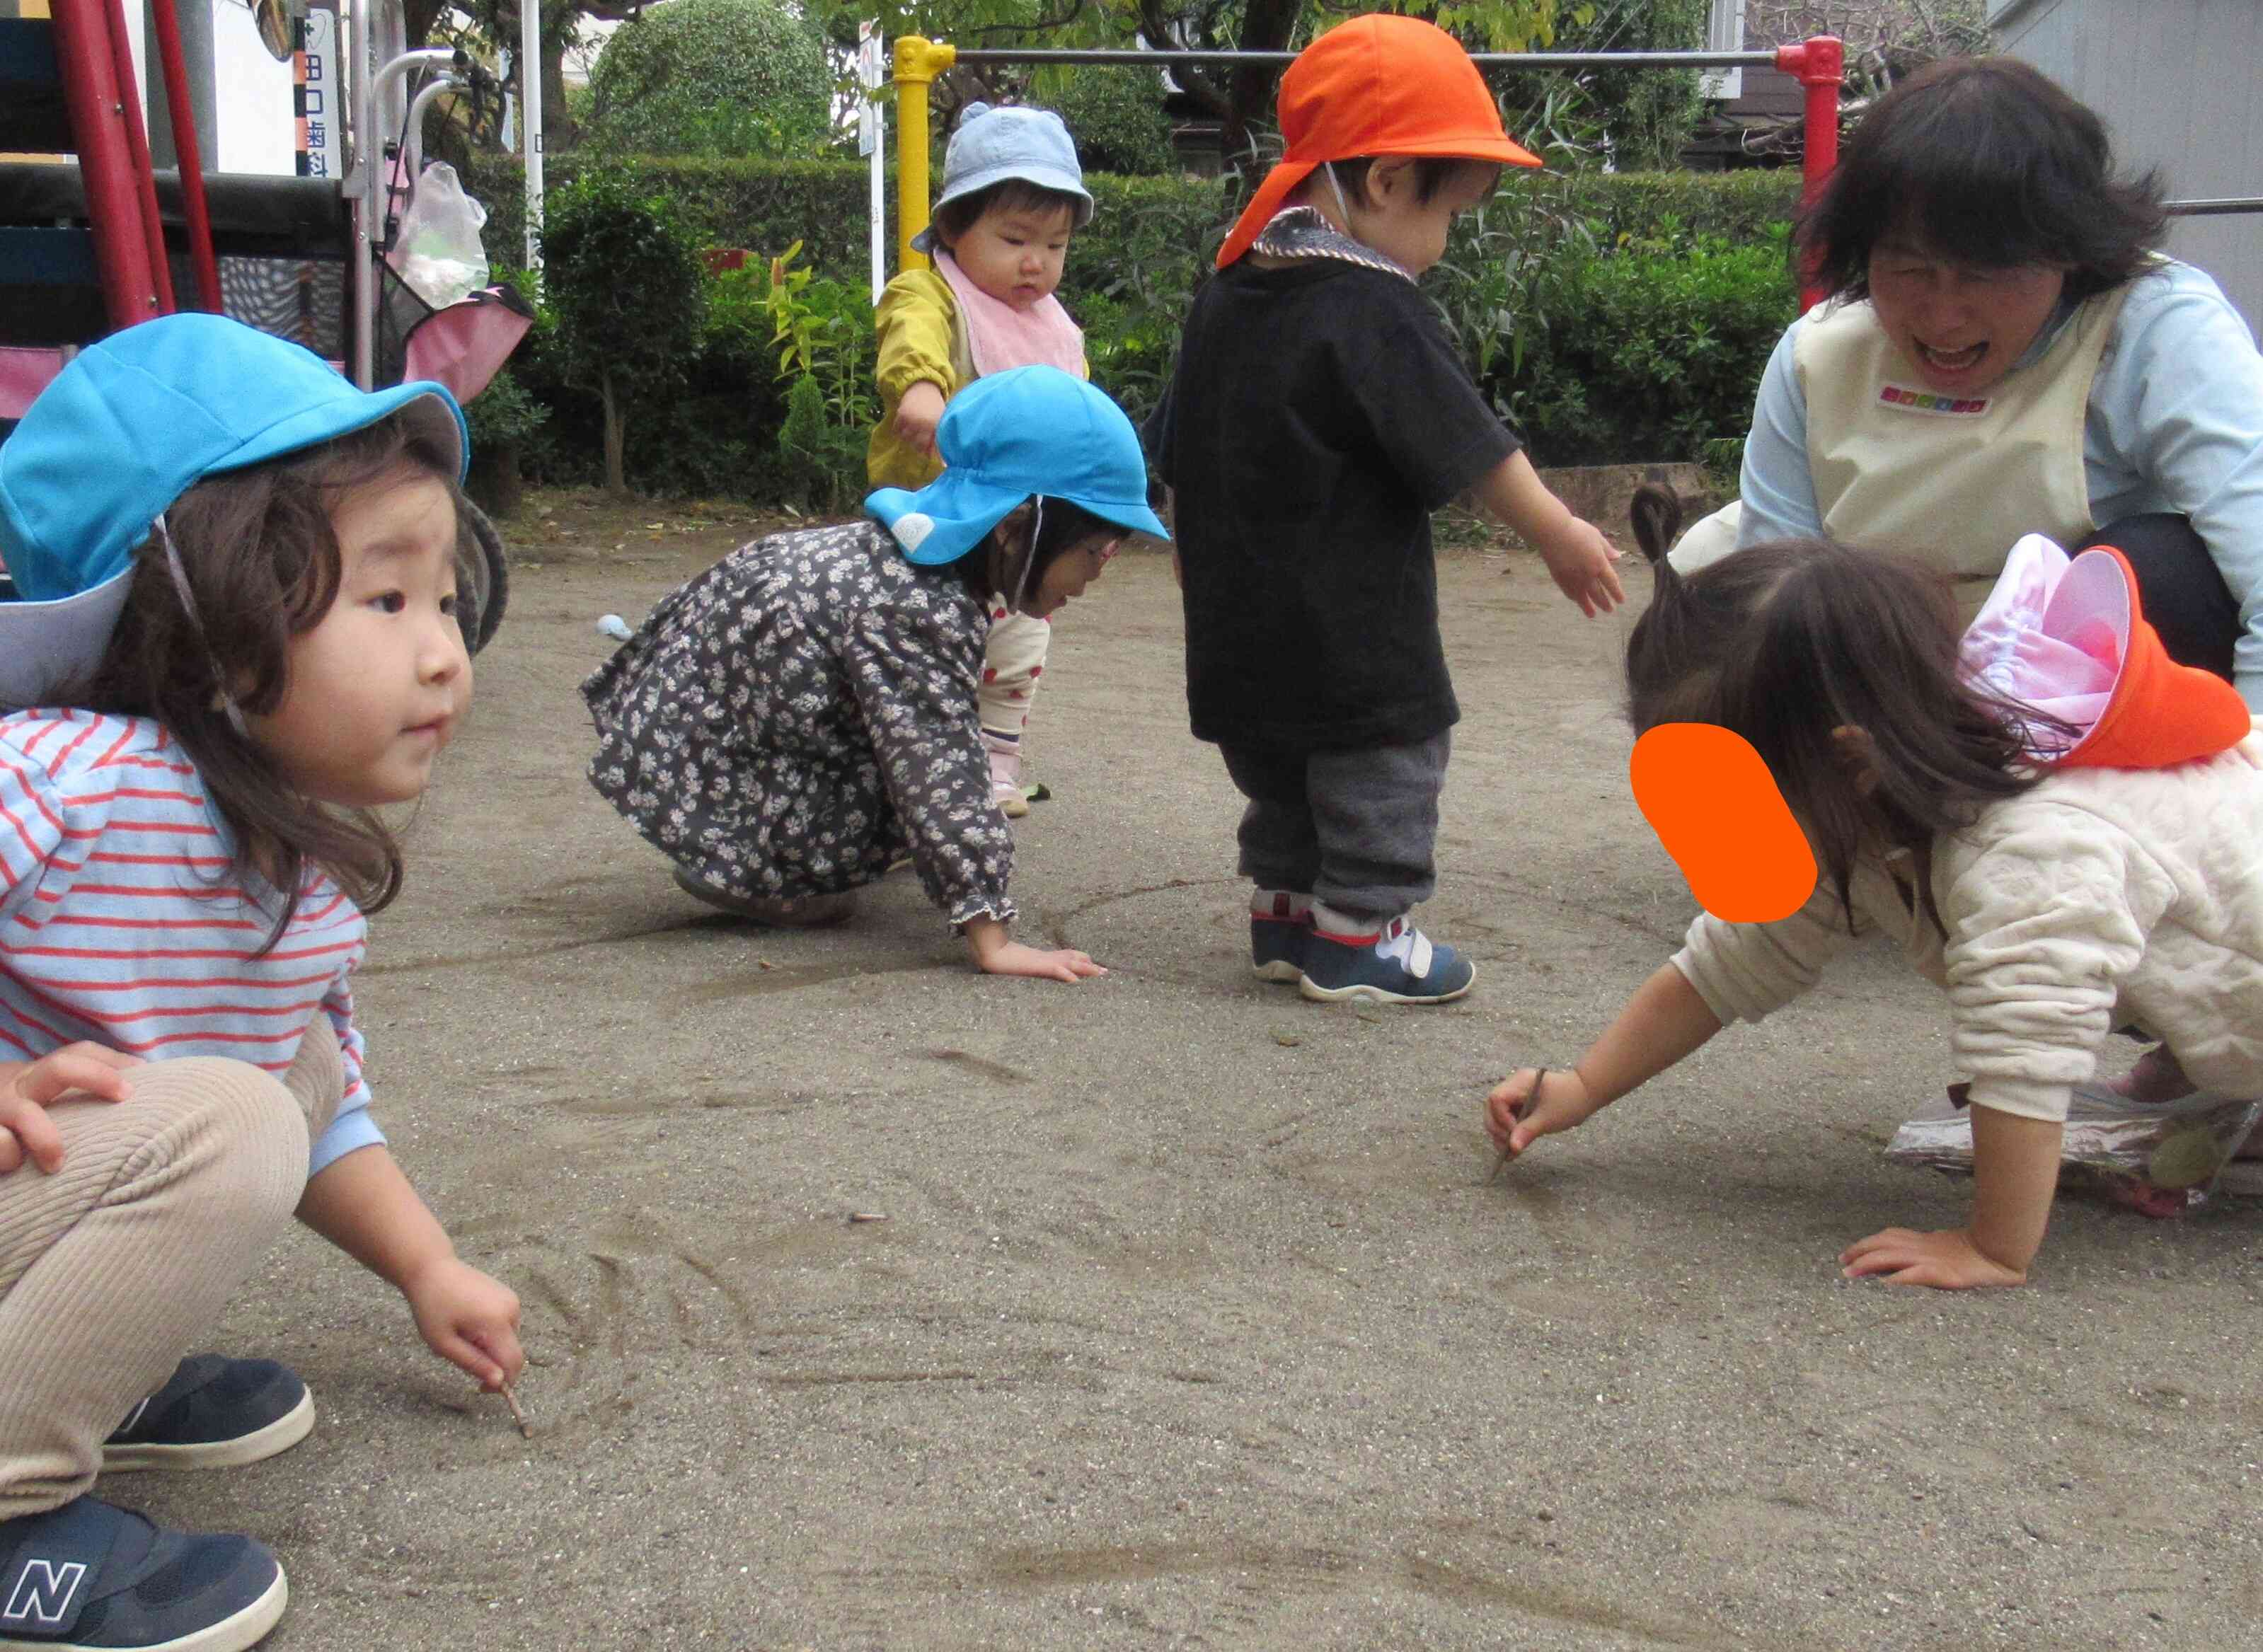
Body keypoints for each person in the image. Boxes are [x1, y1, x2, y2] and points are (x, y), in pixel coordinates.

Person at [0, 313, 524, 1651]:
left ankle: (75, 1381)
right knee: (231, 1121)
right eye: (386, 599)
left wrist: (426, 1268)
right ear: (209, 627)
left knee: (274, 1083)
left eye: (446, 602)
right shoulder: (65, 781)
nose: (443, 653)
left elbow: (323, 1101)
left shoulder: (293, 850)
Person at [1485, 487, 2263, 1290]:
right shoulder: (1864, 803)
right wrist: (1581, 1086)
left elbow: (2026, 1055)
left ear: (1847, 756)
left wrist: (1992, 1246)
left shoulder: (2028, 853)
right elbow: (1727, 961)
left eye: (1724, 794)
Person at [1145, 13, 1624, 1007]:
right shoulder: (1372, 303)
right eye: (1453, 209)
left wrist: (1187, 540)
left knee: (1279, 765)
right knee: (1385, 758)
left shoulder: (1229, 290)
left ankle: (1285, 913)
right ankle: (1361, 931)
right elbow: (1470, 442)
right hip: (1352, 618)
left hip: (1236, 617)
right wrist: (1557, 531)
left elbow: (1178, 438)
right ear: (1385, 180)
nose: (1444, 243)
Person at [1678, 56, 2263, 708]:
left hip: (2089, 697)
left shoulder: (2156, 328)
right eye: (1908, 271)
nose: (1943, 318)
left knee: (2162, 566)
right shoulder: (1820, 352)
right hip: (1891, 689)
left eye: (1984, 275)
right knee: (1706, 574)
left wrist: (2247, 773)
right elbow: (1778, 594)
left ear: (2066, 251)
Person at [587, 364, 1168, 982]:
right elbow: (938, 761)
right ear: (1016, 526)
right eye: (1095, 551)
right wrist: (990, 930)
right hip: (719, 754)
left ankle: (754, 845)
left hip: (699, 719)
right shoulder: (918, 609)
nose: (1101, 572)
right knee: (920, 766)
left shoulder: (909, 558)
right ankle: (750, 869)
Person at [869, 100, 1095, 819]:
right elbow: (913, 338)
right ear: (954, 230)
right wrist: (924, 392)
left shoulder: (1054, 327)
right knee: (919, 652)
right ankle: (897, 767)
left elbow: (1076, 408)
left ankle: (996, 762)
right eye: (1016, 238)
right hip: (930, 522)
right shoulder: (931, 292)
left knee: (1020, 643)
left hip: (1018, 528)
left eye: (1056, 246)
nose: (1037, 262)